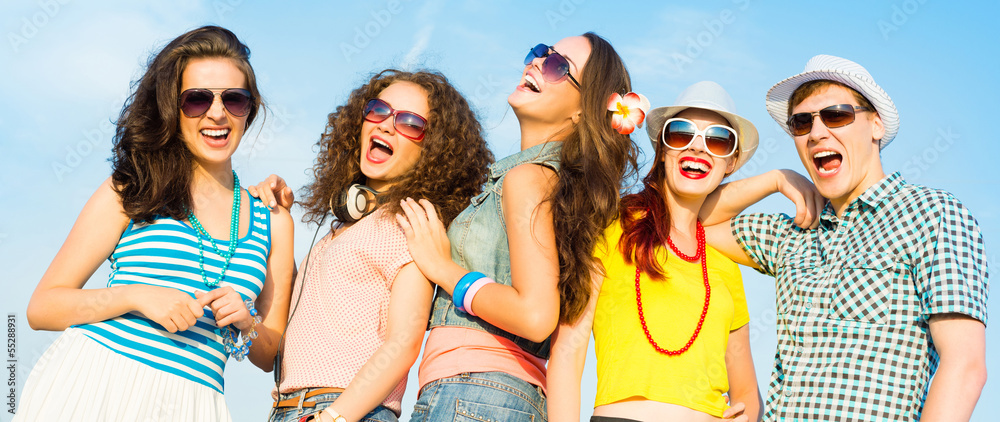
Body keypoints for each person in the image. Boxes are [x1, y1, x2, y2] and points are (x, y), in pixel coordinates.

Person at [15, 26, 295, 421]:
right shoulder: (132, 189)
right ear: (172, 109)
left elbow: (271, 354)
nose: (217, 113)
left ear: (249, 109)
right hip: (97, 385)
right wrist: (135, 296)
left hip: (195, 403)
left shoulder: (274, 219)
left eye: (234, 99)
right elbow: (42, 307)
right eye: (197, 100)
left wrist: (247, 323)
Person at [705, 55, 989, 421]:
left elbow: (964, 366)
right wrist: (775, 179)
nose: (817, 132)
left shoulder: (932, 214)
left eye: (836, 115)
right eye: (802, 122)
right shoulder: (788, 233)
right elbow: (692, 222)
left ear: (875, 125)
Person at [394, 32, 640, 421]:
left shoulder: (527, 179)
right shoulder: (560, 192)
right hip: (495, 399)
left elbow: (536, 316)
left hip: (472, 393)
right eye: (541, 52)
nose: (538, 62)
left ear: (583, 111)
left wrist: (444, 269)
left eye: (559, 66)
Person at [547, 81, 825, 422]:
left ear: (732, 162)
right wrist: (777, 179)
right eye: (681, 134)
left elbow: (747, 394)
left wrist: (776, 179)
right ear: (663, 149)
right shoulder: (611, 225)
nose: (698, 148)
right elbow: (568, 350)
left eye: (717, 140)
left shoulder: (724, 257)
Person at [254, 70, 493, 422]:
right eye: (379, 110)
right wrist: (281, 220)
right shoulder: (339, 231)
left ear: (434, 152)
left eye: (410, 122)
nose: (386, 125)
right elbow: (276, 342)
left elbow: (404, 343)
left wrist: (336, 416)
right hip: (290, 410)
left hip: (344, 411)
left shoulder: (410, 225)